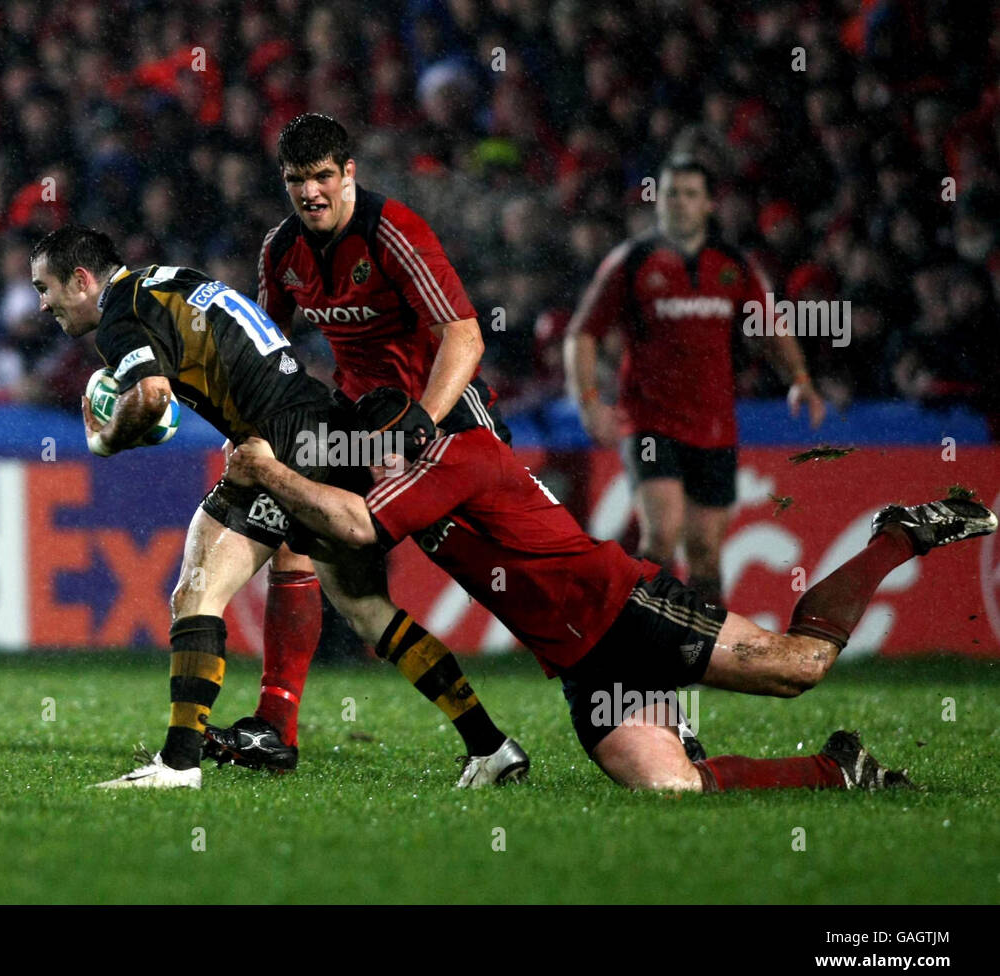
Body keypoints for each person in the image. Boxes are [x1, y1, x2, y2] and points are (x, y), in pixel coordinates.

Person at [223, 387, 997, 791]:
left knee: (799, 667)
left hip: (627, 605)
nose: (395, 458)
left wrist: (265, 469)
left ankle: (898, 536)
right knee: (668, 788)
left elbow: (356, 526)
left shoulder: (460, 460)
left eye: (395, 446)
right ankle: (840, 770)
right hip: (584, 664)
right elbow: (348, 541)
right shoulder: (412, 478)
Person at [28, 224, 525, 789]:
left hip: (277, 442)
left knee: (197, 590)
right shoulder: (171, 281)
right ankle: (490, 744)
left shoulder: (121, 310)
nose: (43, 304)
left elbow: (149, 398)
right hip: (323, 426)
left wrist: (105, 437)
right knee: (365, 607)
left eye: (46, 288)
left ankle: (178, 763)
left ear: (82, 280)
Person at [208, 112, 508, 768]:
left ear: (349, 174)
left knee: (522, 577)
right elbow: (271, 353)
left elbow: (464, 336)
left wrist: (420, 423)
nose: (310, 191)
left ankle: (649, 708)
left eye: (322, 176)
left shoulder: (393, 231)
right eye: (296, 180)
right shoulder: (280, 252)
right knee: (308, 547)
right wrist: (255, 432)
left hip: (446, 421)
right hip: (360, 428)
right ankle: (276, 727)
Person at [565, 156, 827, 606]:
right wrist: (589, 400)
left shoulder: (732, 265)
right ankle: (647, 646)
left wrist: (800, 377)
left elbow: (769, 327)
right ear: (658, 201)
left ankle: (704, 654)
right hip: (649, 420)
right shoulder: (632, 262)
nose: (679, 203)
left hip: (714, 425)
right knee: (661, 537)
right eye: (670, 193)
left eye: (690, 194)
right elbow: (582, 333)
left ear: (708, 204)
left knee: (705, 553)